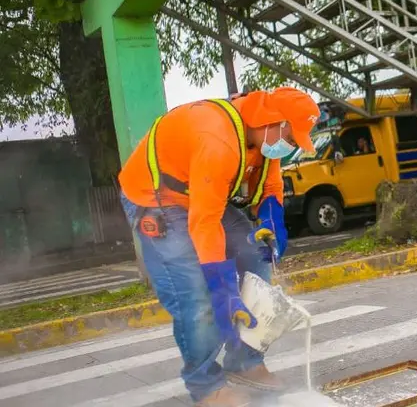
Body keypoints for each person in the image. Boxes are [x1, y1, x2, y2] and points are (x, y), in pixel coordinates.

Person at [118, 87, 320, 406]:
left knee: (254, 256)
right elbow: (205, 225)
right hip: (156, 197)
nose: (291, 148)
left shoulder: (262, 140)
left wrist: (270, 224)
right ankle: (206, 386)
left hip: (199, 193)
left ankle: (245, 362)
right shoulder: (219, 140)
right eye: (292, 139)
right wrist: (225, 290)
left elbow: (269, 186)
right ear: (275, 122)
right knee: (196, 292)